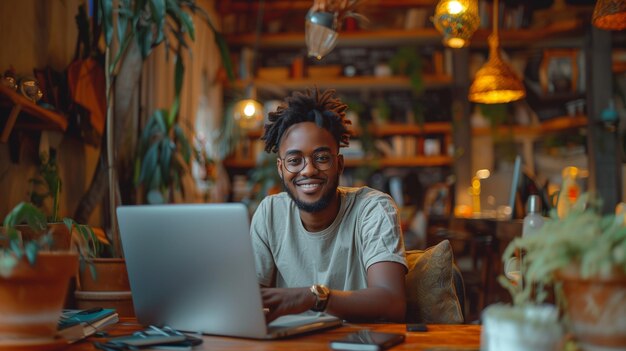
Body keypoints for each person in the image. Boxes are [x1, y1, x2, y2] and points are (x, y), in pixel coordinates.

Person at [250, 88, 408, 323]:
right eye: (294, 161)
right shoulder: (270, 213)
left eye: (322, 158)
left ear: (340, 164)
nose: (309, 170)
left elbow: (392, 302)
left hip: (357, 342)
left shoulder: (374, 209)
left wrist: (312, 297)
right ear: (281, 169)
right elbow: (249, 300)